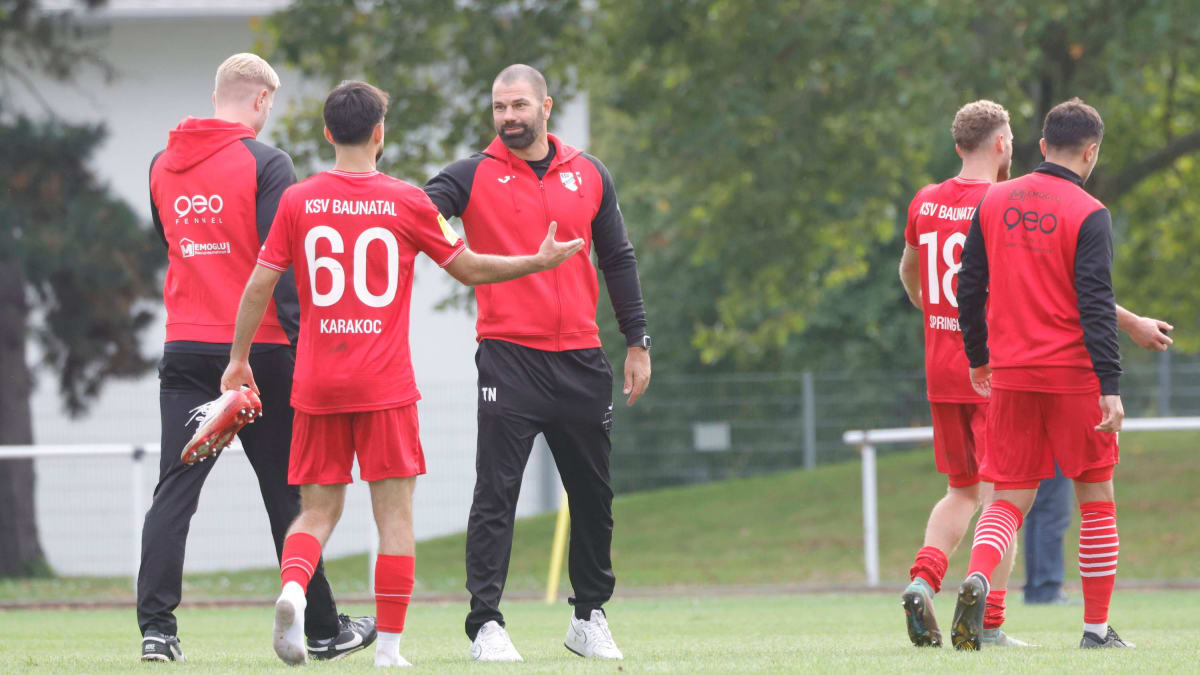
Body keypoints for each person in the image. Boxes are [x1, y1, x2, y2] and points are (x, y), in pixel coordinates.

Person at [220, 80, 584, 667]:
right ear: (379, 132)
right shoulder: (408, 201)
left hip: (317, 382)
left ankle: (293, 590)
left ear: (327, 132)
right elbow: (469, 268)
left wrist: (238, 360)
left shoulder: (297, 200)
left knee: (316, 512)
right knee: (394, 517)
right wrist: (536, 262)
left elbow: (260, 283)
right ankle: (388, 649)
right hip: (384, 385)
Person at [139, 53, 373, 662]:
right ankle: (323, 629)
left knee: (174, 490)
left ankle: (157, 631)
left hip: (184, 349)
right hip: (259, 352)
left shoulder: (161, 165)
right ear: (262, 100)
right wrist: (308, 347)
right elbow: (280, 264)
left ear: (217, 93)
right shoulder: (268, 164)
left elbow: (170, 242)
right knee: (289, 495)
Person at [424, 64, 651, 662]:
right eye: (500, 108)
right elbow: (417, 214)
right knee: (496, 495)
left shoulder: (589, 172)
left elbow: (618, 259)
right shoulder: (471, 173)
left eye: (519, 105)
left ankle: (589, 615)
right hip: (509, 357)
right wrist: (455, 252)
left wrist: (637, 341)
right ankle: (485, 624)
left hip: (581, 357)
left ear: (545, 106)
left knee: (594, 496)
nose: (509, 117)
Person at [954, 98, 1132, 650]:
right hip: (1074, 376)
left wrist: (978, 356)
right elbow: (1095, 304)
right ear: (1091, 152)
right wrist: (1110, 385)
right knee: (1096, 498)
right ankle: (1096, 630)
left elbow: (969, 286)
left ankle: (979, 581)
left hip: (1011, 373)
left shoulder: (994, 200)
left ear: (1041, 146)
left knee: (1008, 498)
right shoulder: (1090, 213)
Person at [898, 100, 1027, 648]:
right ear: (1001, 144)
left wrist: (933, 313)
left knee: (960, 490)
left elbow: (909, 270)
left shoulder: (925, 200)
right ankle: (989, 620)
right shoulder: (1005, 201)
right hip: (991, 369)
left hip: (940, 368)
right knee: (1004, 496)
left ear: (958, 146)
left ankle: (923, 580)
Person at [1023, 311, 1170, 606]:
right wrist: (1133, 324)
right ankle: (1050, 591)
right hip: (1064, 385)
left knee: (1023, 503)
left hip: (1022, 380)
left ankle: (1033, 586)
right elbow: (1091, 300)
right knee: (1068, 505)